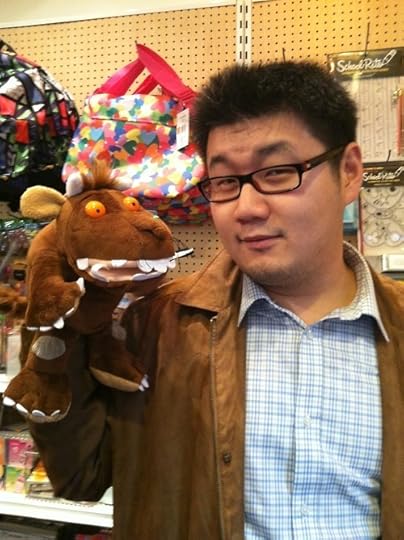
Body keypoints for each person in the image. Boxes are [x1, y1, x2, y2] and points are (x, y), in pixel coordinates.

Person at [25, 60, 403, 539]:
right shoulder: (153, 327)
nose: (247, 208)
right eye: (225, 182)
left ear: (348, 172)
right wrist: (57, 321)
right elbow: (79, 475)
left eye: (277, 172)